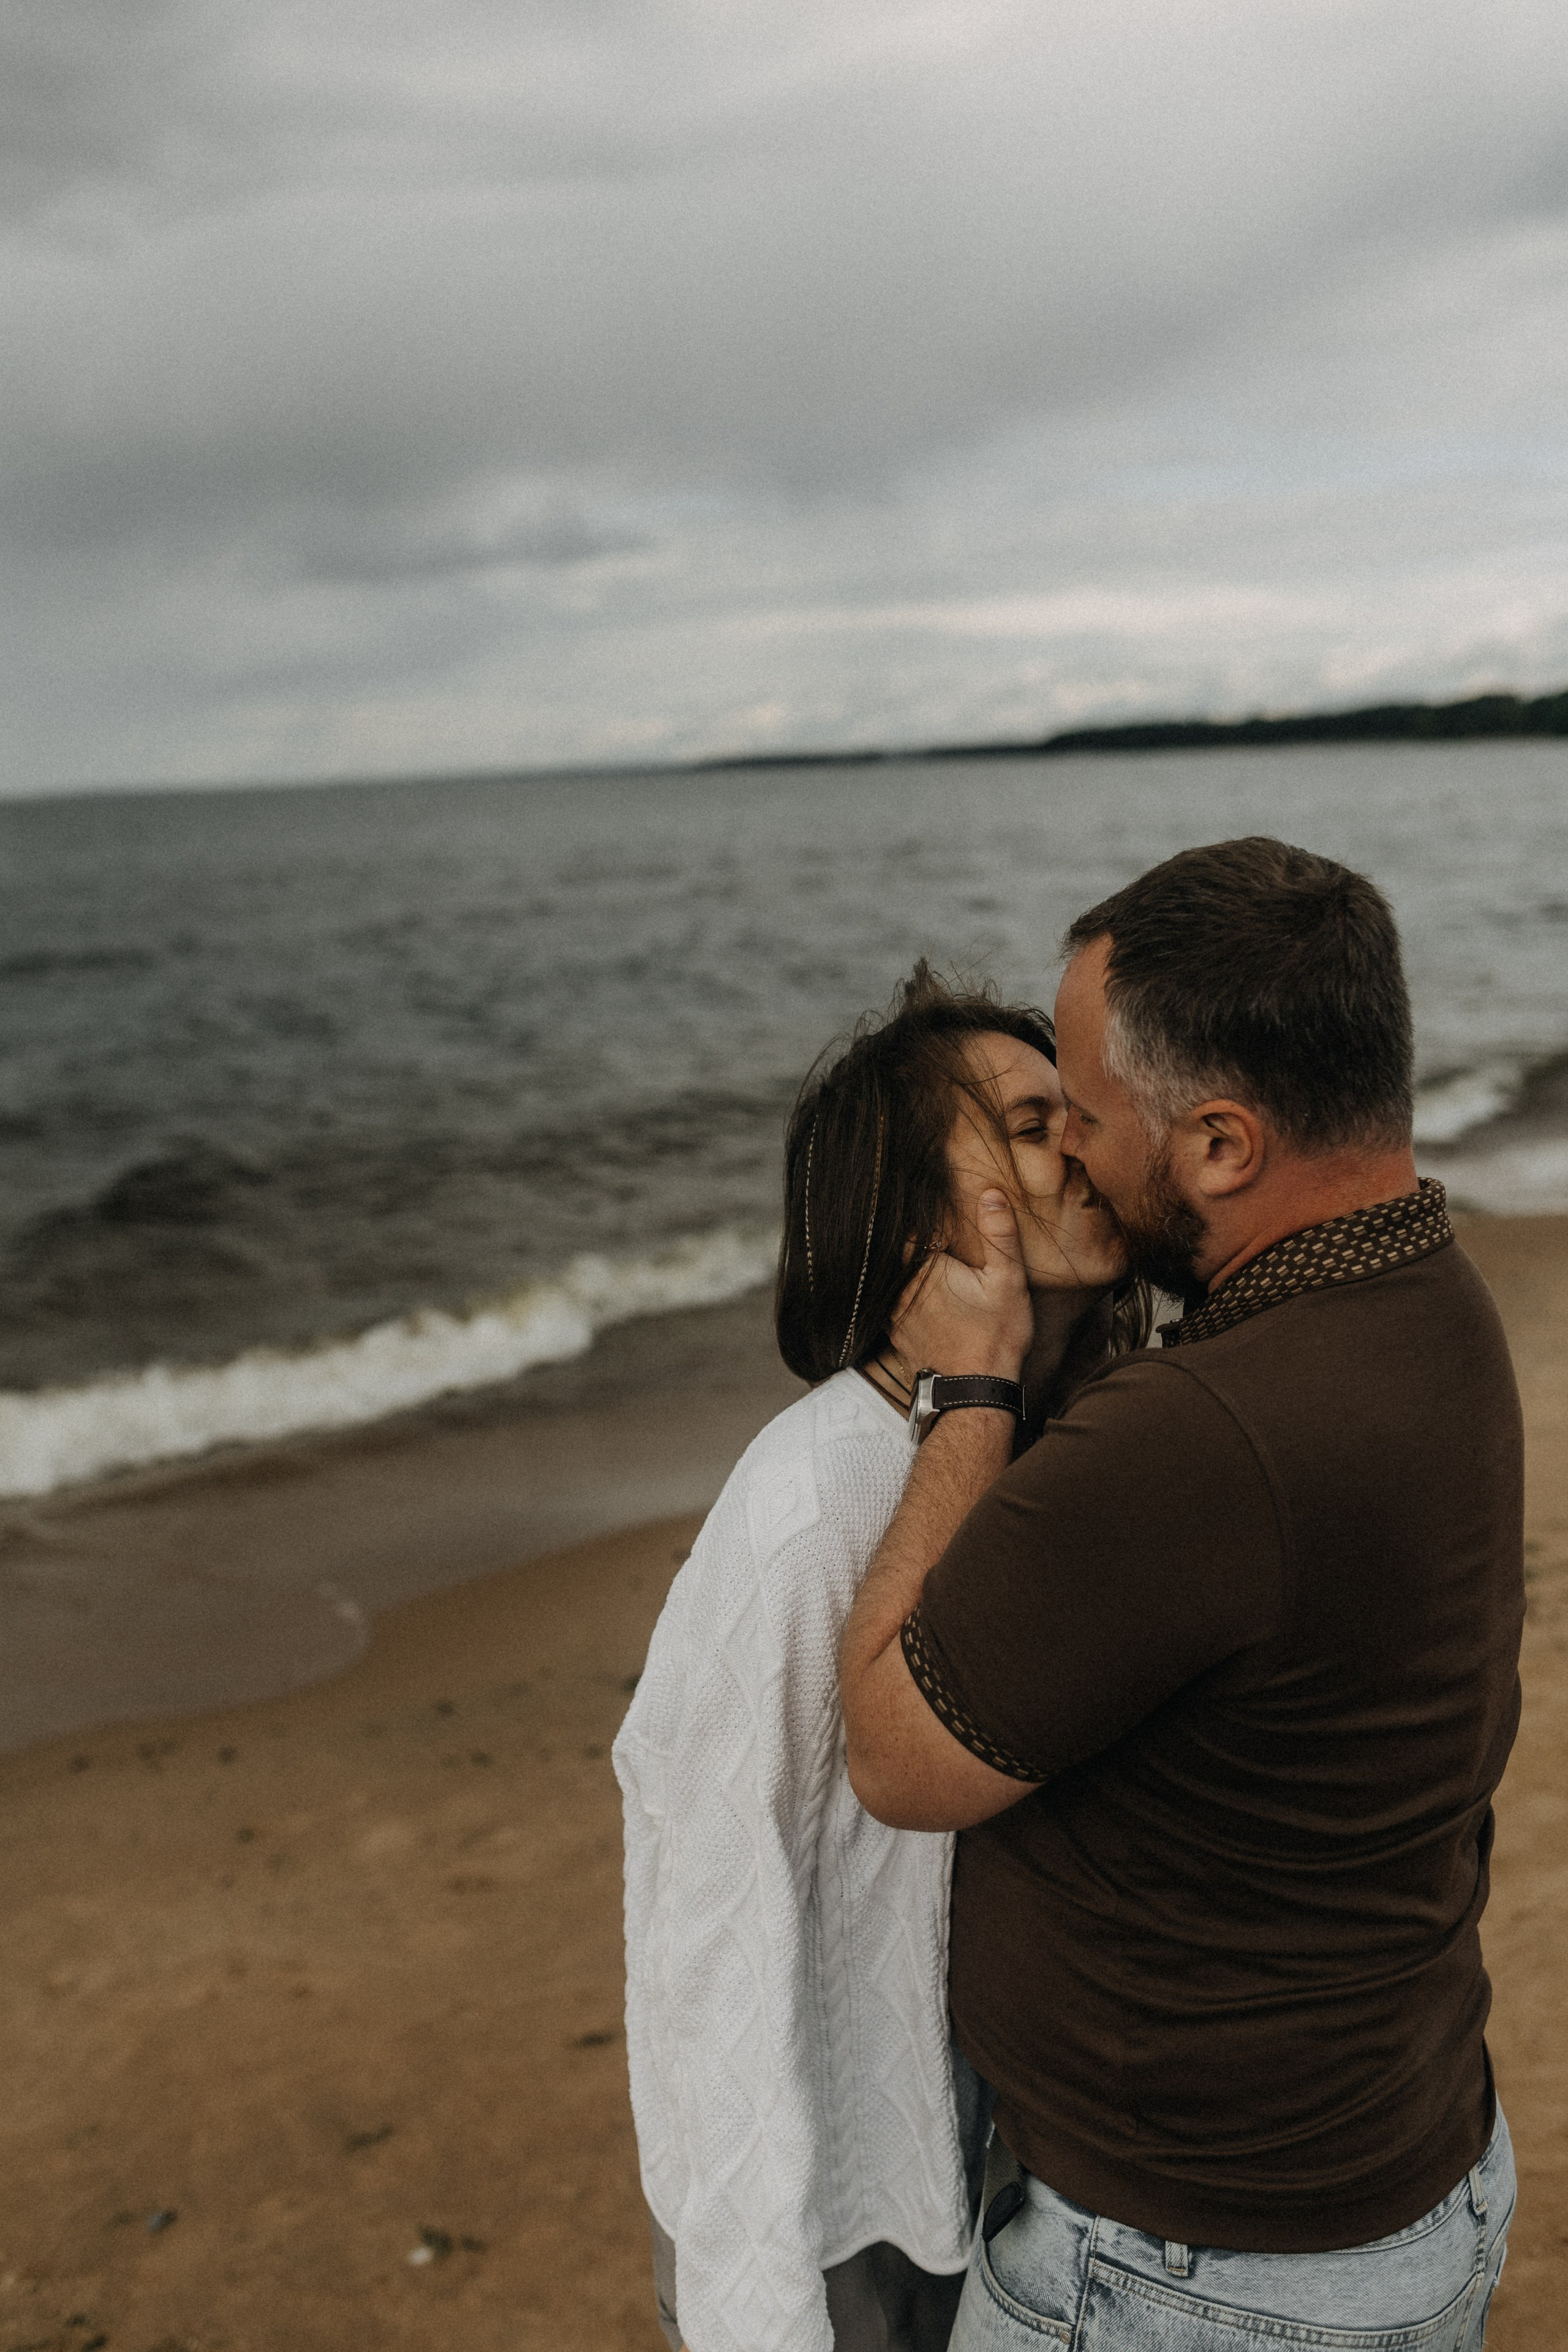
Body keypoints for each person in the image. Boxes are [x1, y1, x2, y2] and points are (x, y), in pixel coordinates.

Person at [839, 839, 1524, 2352]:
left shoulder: (1201, 1434)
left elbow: (893, 1755)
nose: (1068, 1154)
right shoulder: (1428, 1300)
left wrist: (967, 1391)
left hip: (1198, 2277)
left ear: (1217, 1145)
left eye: (1078, 1116)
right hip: (1400, 2180)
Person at [614, 963, 1140, 2352]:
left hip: (984, 2194)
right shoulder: (815, 1500)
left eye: (1077, 1111)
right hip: (831, 2227)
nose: (1081, 1142)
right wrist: (757, 2310)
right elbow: (708, 1929)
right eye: (1031, 1126)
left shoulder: (1072, 1444)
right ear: (917, 1217)